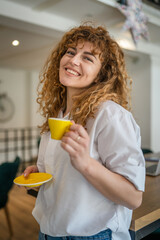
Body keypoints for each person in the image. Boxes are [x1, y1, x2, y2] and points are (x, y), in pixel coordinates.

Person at [24, 23, 145, 240]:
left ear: (101, 75)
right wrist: (41, 171)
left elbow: (133, 197)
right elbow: (65, 171)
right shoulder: (59, 113)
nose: (73, 60)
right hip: (48, 230)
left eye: (88, 58)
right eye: (71, 52)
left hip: (92, 235)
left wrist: (86, 163)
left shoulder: (110, 115)